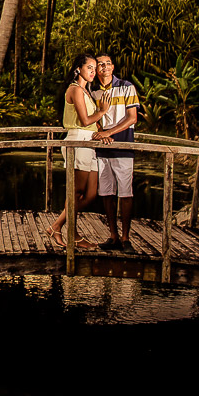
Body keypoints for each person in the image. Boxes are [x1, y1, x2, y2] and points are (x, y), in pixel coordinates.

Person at [47, 53, 109, 248]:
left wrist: (103, 132)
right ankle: (72, 234)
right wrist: (102, 111)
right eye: (89, 67)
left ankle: (56, 225)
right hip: (78, 141)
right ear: (78, 69)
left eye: (94, 68)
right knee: (77, 192)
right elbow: (84, 121)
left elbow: (92, 124)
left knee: (91, 193)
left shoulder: (86, 92)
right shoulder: (75, 90)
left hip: (89, 142)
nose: (93, 71)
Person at [92, 52, 141, 252]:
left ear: (113, 67)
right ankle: (112, 235)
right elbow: (92, 117)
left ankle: (126, 237)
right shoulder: (93, 90)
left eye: (107, 64)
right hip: (102, 147)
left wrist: (109, 132)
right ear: (96, 69)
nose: (104, 67)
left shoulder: (127, 87)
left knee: (126, 192)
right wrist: (100, 133)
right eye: (100, 65)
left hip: (123, 144)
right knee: (106, 192)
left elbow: (132, 118)